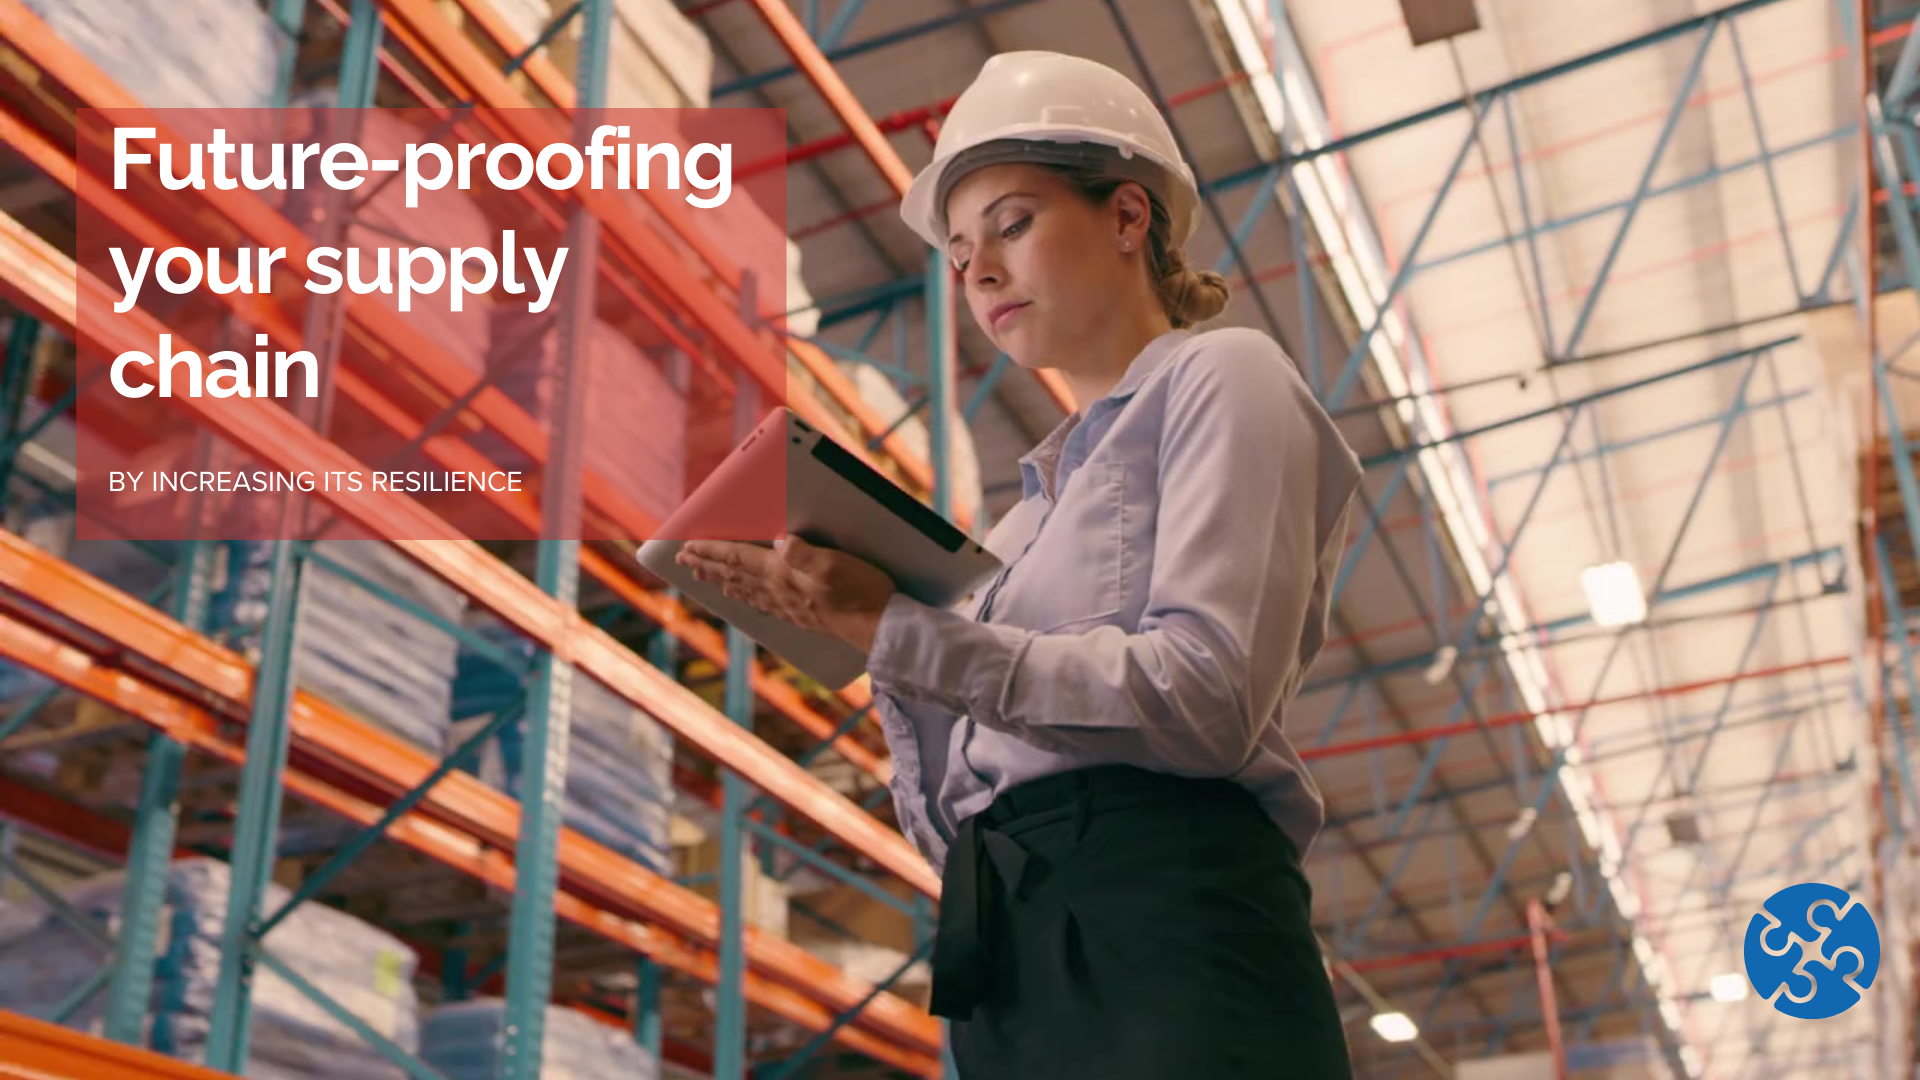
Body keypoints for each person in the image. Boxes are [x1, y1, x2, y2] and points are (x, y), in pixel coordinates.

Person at [676, 50, 1361, 1080]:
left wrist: (893, 631)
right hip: (1007, 943)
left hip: (1163, 920)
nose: (982, 272)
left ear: (1129, 216)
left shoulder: (1226, 375)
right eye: (959, 256)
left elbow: (1210, 696)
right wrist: (858, 623)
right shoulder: (1014, 532)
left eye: (1012, 224)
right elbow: (964, 787)